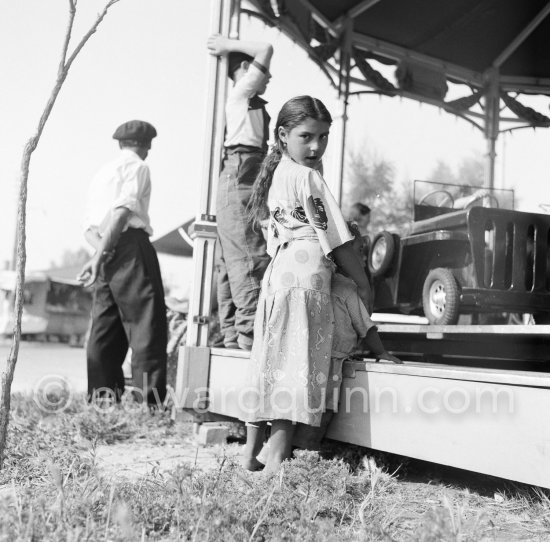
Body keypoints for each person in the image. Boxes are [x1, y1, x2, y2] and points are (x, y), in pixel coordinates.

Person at [241, 95, 373, 474]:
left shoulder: (278, 173)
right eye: (306, 136)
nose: (316, 146)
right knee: (298, 363)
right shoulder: (308, 176)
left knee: (269, 361)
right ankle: (278, 455)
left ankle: (251, 451)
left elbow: (274, 235)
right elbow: (336, 236)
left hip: (278, 274)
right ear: (283, 135)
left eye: (324, 136)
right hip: (306, 276)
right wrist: (362, 282)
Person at [78, 120, 167, 406]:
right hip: (130, 247)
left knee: (105, 327)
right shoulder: (139, 167)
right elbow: (121, 213)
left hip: (105, 250)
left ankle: (102, 400)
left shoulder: (103, 172)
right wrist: (105, 252)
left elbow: (90, 228)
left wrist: (100, 254)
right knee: (146, 325)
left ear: (119, 143)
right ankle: (148, 404)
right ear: (146, 145)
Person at [293, 222, 402, 451]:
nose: (362, 257)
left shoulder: (316, 281)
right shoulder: (347, 289)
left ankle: (291, 450)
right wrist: (381, 351)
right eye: (359, 250)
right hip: (332, 361)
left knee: (301, 405)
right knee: (323, 409)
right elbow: (366, 327)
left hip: (307, 355)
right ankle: (306, 451)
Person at [207, 34, 273, 350]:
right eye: (264, 73)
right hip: (241, 173)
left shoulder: (245, 102)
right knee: (248, 255)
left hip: (247, 172)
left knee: (234, 258)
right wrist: (227, 44)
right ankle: (249, 334)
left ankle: (234, 334)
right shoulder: (241, 92)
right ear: (245, 68)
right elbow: (265, 48)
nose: (269, 77)